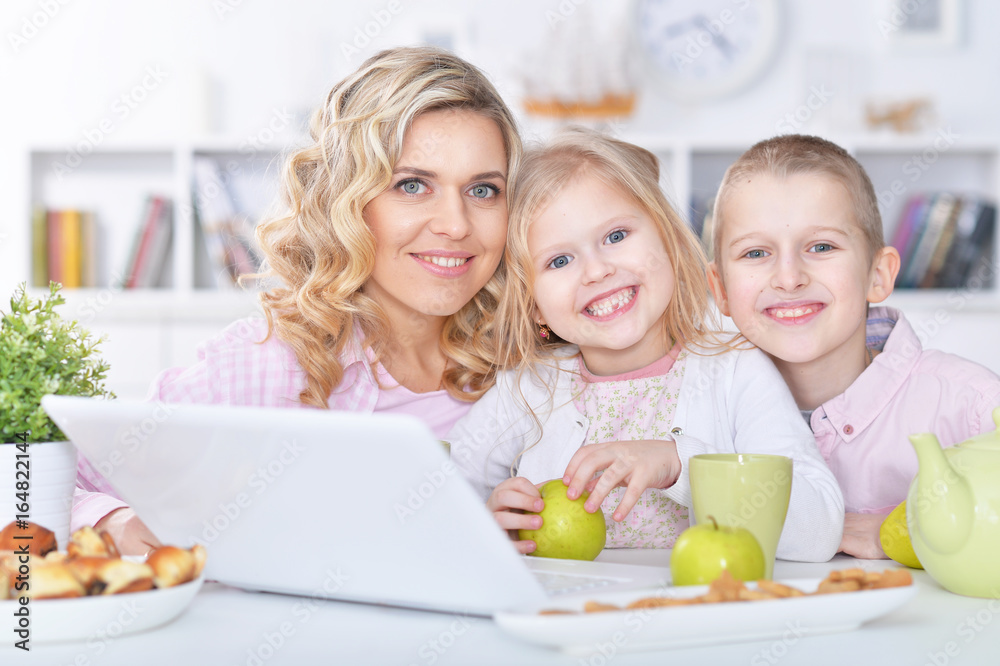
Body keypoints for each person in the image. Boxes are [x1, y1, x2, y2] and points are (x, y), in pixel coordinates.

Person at [73, 46, 523, 555]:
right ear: (346, 203)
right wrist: (112, 521)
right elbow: (38, 482)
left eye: (483, 191)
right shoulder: (264, 365)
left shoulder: (535, 368)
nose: (456, 224)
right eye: (413, 185)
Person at [448, 128, 844, 560]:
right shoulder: (528, 389)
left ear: (670, 242)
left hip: (701, 611)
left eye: (616, 236)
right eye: (559, 260)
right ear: (534, 306)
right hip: (570, 616)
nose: (597, 271)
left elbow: (819, 529)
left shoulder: (735, 370)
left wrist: (682, 465)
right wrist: (486, 522)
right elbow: (442, 494)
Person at [706, 134, 1000, 559]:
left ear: (877, 274)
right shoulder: (700, 407)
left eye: (821, 246)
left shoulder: (972, 405)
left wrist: (903, 528)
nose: (789, 278)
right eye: (756, 253)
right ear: (721, 289)